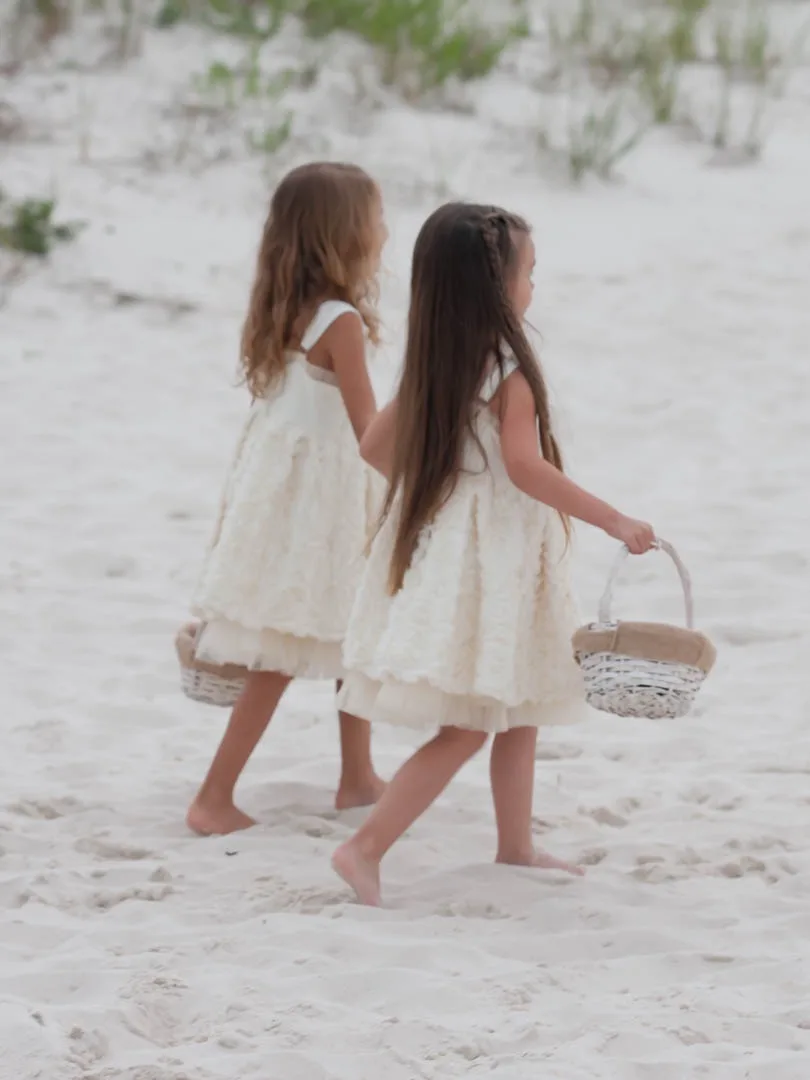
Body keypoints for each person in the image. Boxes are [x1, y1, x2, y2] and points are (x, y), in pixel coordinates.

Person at [331, 201, 655, 905]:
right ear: (493, 285)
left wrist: (448, 496)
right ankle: (364, 847)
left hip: (474, 553)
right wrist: (613, 519)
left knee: (523, 696)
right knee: (470, 725)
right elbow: (526, 469)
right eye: (528, 273)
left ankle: (515, 844)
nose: (534, 286)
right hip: (497, 560)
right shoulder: (508, 369)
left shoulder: (439, 362)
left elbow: (374, 449)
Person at [186, 161, 389, 836]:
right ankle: (214, 797)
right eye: (375, 220)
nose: (384, 231)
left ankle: (357, 776)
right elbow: (370, 433)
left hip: (282, 498)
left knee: (346, 632)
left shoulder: (282, 310)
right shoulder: (343, 324)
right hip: (324, 505)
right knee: (283, 646)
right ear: (345, 236)